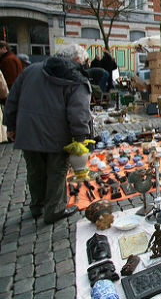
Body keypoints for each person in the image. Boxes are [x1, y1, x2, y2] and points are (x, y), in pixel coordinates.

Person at [4, 44, 92, 223]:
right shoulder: (76, 77)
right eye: (83, 62)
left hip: (28, 130)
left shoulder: (31, 70)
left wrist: (11, 125)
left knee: (35, 170)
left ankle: (37, 206)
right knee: (57, 171)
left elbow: (12, 98)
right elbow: (79, 111)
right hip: (57, 134)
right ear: (77, 60)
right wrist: (80, 138)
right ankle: (54, 209)